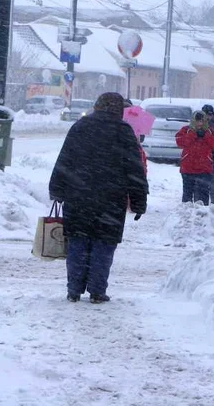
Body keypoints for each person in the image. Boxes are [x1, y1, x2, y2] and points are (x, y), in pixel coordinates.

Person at [49, 92, 149, 304]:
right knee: (103, 246)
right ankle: (97, 290)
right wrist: (139, 200)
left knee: (77, 242)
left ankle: (74, 290)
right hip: (110, 200)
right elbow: (134, 169)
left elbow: (64, 160)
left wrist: (57, 189)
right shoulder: (123, 131)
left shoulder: (80, 127)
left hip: (78, 197)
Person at [175, 110, 214, 205]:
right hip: (188, 168)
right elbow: (180, 142)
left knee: (203, 195)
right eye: (197, 121)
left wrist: (206, 136)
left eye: (201, 121)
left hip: (204, 168)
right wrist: (192, 134)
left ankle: (202, 215)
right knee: (187, 195)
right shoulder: (186, 130)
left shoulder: (210, 131)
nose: (199, 124)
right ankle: (185, 214)